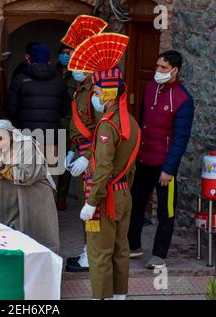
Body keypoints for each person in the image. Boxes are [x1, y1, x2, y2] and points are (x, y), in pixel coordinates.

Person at [70, 32, 140, 300]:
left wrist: (91, 200)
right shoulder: (130, 122)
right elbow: (130, 167)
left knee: (99, 254)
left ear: (109, 91)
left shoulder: (107, 126)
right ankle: (120, 296)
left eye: (98, 90)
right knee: (121, 251)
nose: (96, 94)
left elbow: (102, 168)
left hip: (104, 197)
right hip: (123, 194)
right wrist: (122, 189)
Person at [128, 50, 195, 269]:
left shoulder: (184, 100)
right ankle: (133, 245)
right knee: (135, 203)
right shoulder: (149, 89)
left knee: (166, 211)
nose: (158, 71)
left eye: (163, 68)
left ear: (175, 70)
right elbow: (141, 121)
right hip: (144, 160)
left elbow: (180, 138)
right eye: (157, 66)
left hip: (165, 166)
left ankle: (159, 255)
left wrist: (169, 168)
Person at [0, 120, 60, 254]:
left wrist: (0, 167)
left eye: (0, 139)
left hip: (35, 202)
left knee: (38, 244)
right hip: (12, 204)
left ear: (11, 135)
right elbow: (0, 184)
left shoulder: (26, 146)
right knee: (13, 246)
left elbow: (26, 177)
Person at [59, 15, 108, 272]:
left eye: (77, 62)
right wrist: (71, 150)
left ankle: (92, 255)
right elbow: (78, 125)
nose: (72, 66)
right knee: (84, 207)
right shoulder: (81, 89)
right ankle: (87, 249)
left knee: (92, 206)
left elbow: (104, 129)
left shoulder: (96, 91)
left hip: (93, 157)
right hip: (79, 152)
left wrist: (87, 155)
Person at [3, 43, 71, 148]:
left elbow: (9, 109)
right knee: (51, 163)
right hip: (51, 139)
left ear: (29, 60)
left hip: (25, 137)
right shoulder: (59, 81)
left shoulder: (19, 80)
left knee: (26, 164)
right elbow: (65, 109)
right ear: (48, 60)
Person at [56, 44, 77, 211]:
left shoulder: (76, 76)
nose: (65, 56)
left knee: (65, 163)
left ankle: (61, 197)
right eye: (62, 53)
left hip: (68, 124)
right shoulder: (52, 73)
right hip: (50, 122)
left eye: (68, 53)